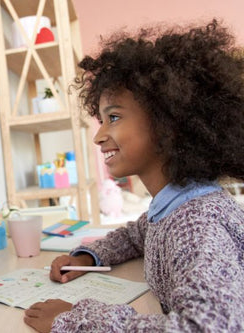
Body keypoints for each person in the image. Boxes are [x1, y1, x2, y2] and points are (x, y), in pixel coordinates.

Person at [24, 20, 244, 332]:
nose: (98, 137)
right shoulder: (174, 206)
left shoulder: (196, 225)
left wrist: (78, 321)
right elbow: (135, 235)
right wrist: (89, 256)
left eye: (113, 117)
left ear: (167, 122)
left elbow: (210, 328)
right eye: (100, 120)